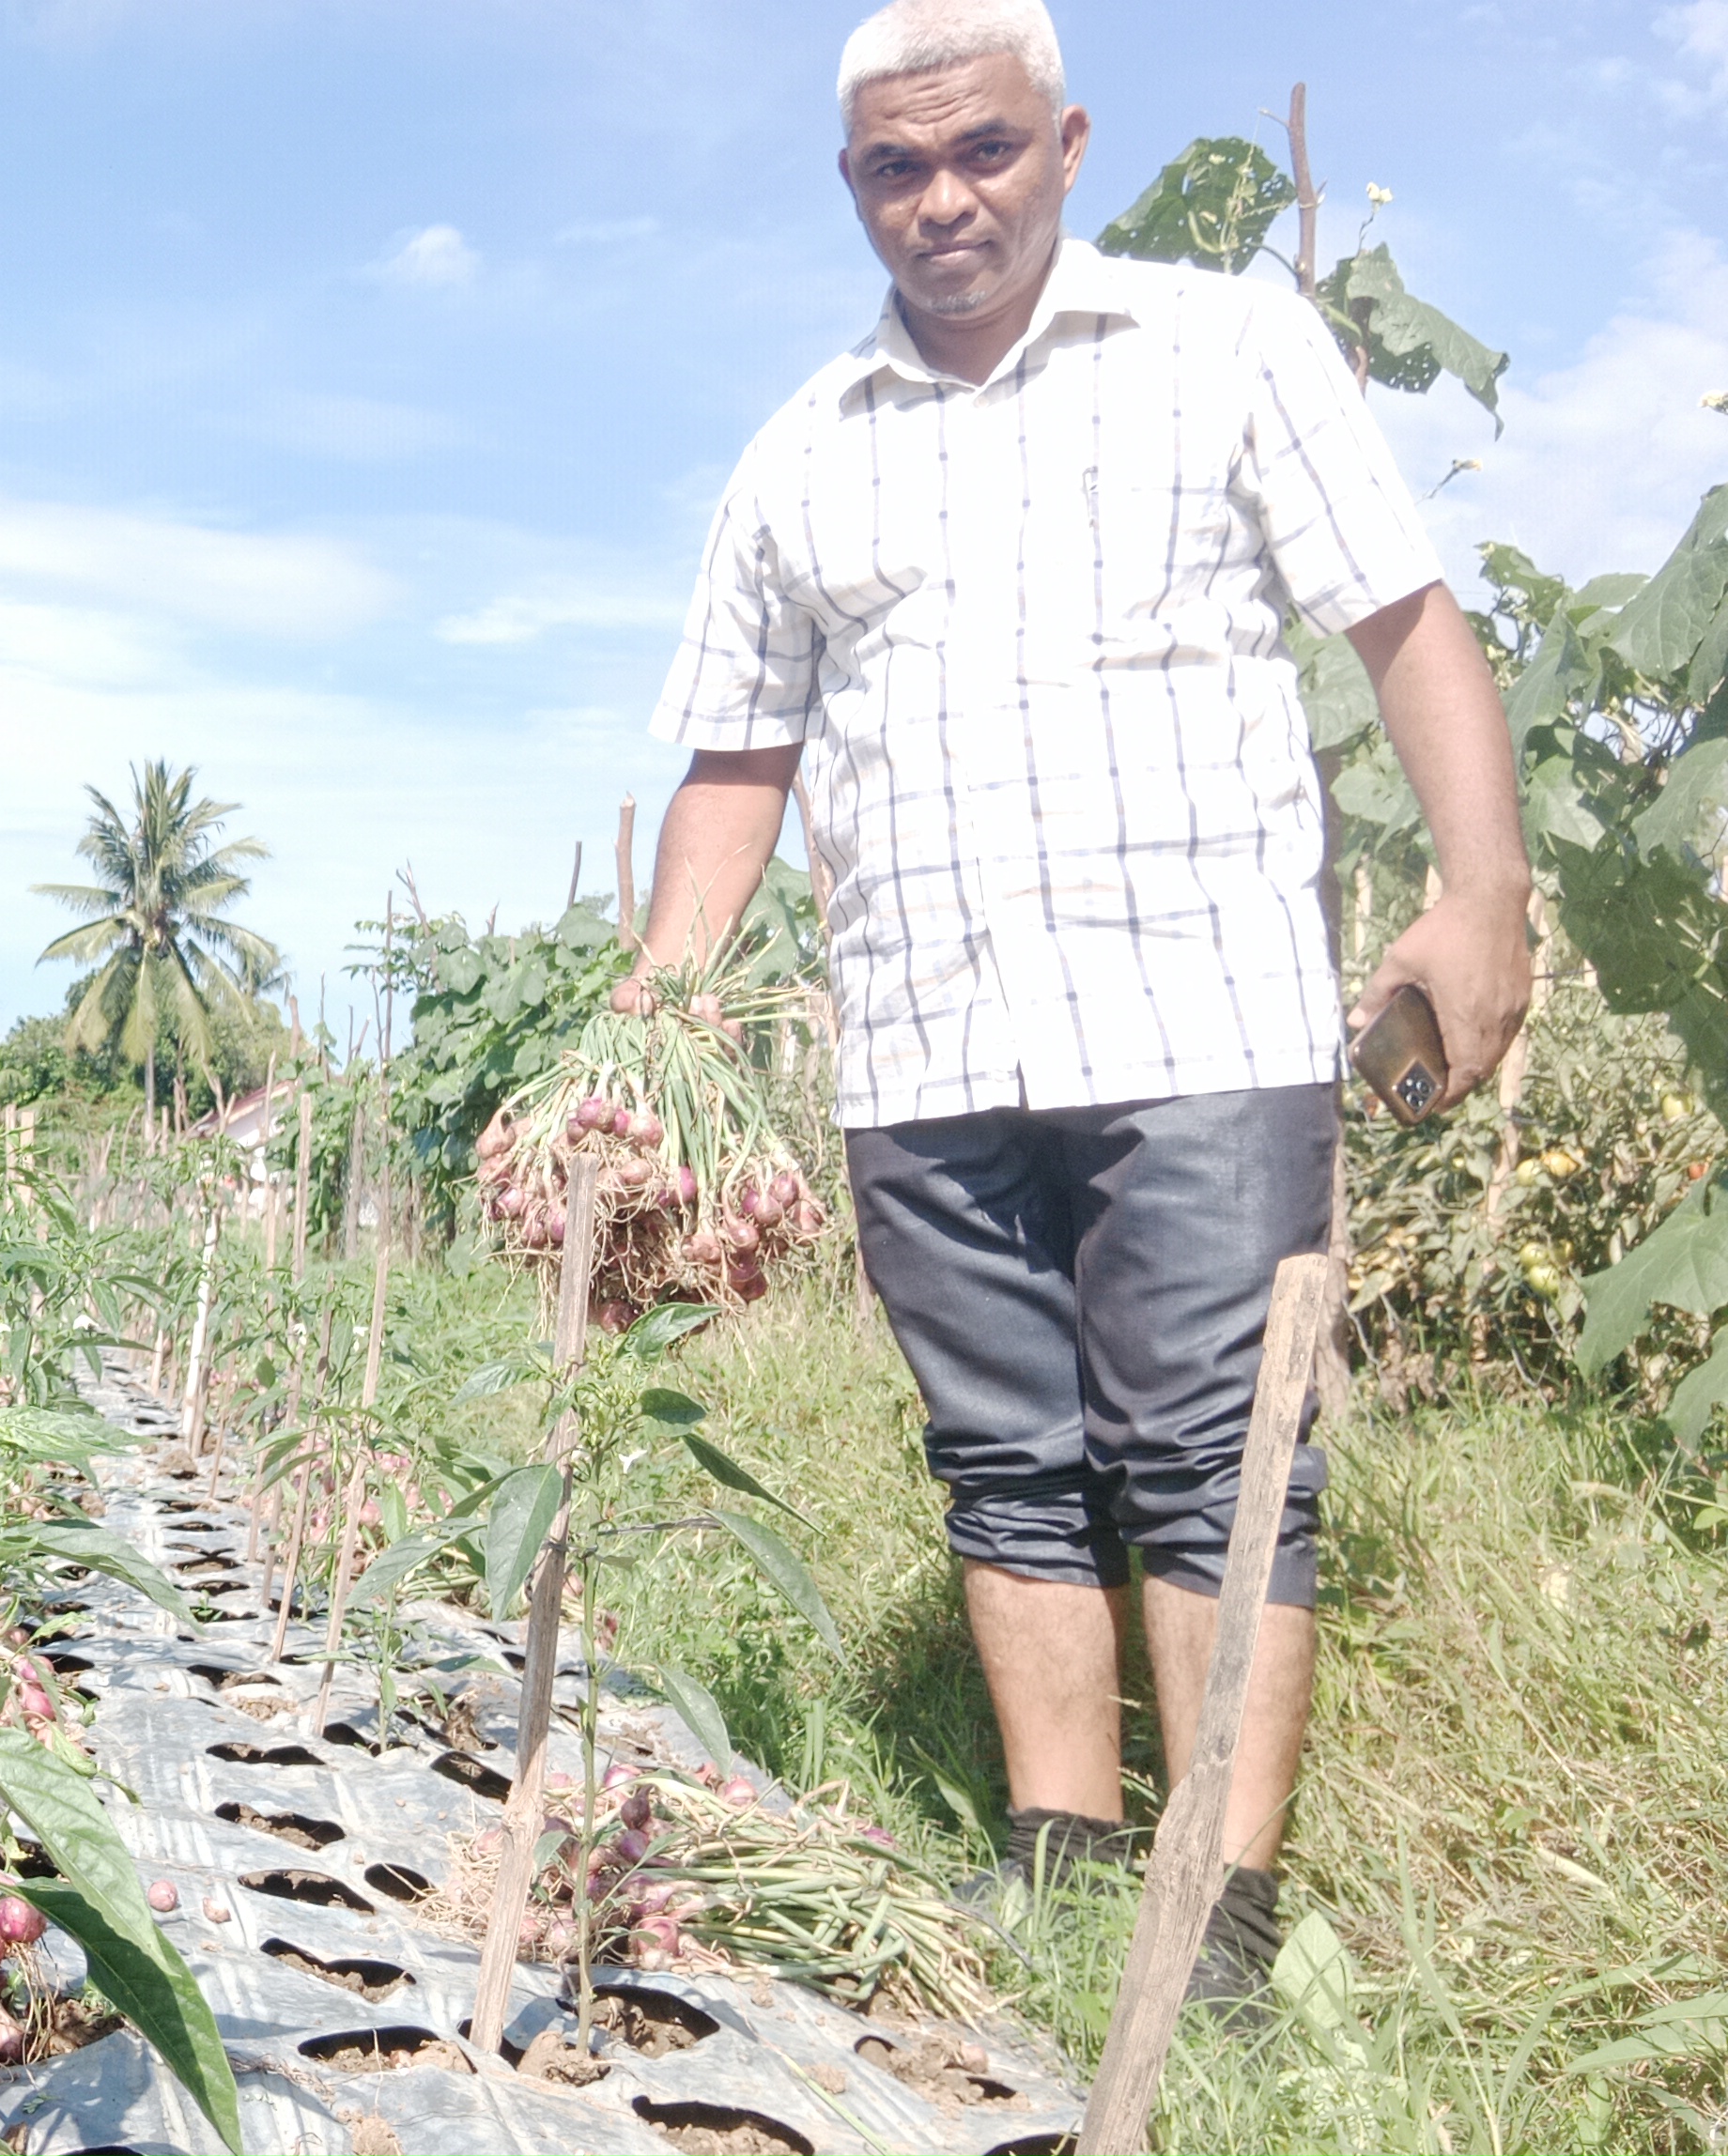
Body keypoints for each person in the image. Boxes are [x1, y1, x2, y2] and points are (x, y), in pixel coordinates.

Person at [620, 0, 1529, 2006]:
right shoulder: (798, 453)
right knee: (1007, 1451)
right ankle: (1060, 1845)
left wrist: (1484, 889)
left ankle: (1217, 1918)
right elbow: (740, 763)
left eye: (985, 153)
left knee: (1217, 1451)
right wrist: (651, 1023)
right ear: (849, 180)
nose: (943, 200)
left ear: (1069, 142)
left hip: (1200, 1011)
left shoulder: (1224, 349)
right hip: (925, 1036)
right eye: (896, 168)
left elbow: (1402, 616)